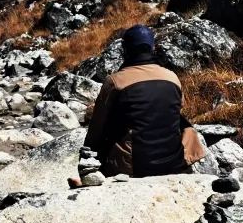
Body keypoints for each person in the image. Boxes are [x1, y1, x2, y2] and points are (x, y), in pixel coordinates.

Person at [84, 25, 205, 177]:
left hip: (135, 167)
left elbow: (97, 127)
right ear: (153, 48)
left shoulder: (115, 82)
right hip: (174, 162)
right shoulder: (172, 77)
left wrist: (88, 155)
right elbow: (177, 109)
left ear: (125, 50)